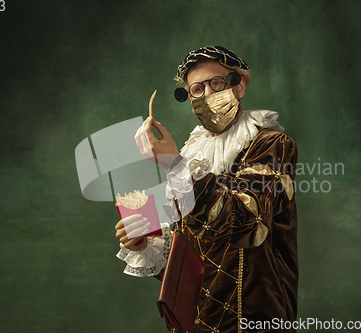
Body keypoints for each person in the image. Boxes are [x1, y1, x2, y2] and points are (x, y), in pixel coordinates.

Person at [115, 46, 298, 333]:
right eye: (196, 89)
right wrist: (146, 242)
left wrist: (175, 166)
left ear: (239, 85)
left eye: (216, 83)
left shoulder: (271, 145)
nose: (208, 95)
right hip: (198, 321)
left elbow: (248, 225)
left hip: (252, 320)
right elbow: (194, 254)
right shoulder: (191, 156)